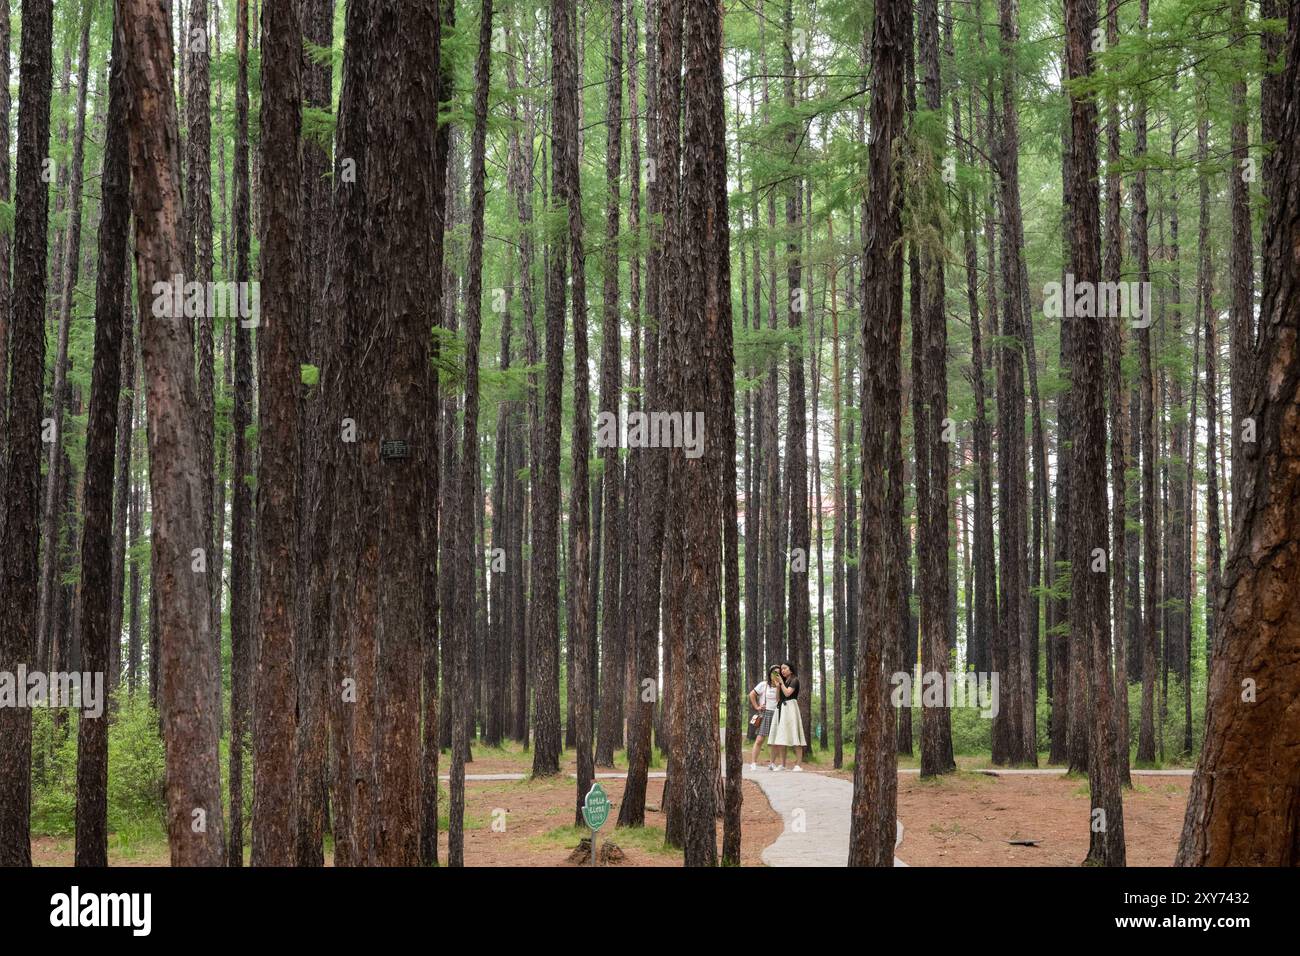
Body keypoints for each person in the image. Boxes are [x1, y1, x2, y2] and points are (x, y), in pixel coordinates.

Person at [769, 661, 807, 771]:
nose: (782, 670)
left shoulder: (795, 680)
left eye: (785, 668)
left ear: (790, 669)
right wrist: (777, 686)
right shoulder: (783, 681)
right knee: (781, 736)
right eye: (781, 669)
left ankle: (798, 765)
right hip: (781, 709)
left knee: (795, 735)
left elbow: (787, 694)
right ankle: (783, 764)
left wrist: (781, 683)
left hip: (791, 708)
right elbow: (778, 699)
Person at [748, 666, 782, 771]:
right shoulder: (763, 685)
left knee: (775, 741)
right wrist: (757, 706)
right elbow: (751, 694)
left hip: (776, 713)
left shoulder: (781, 686)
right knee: (760, 739)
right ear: (770, 673)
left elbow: (779, 700)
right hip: (765, 713)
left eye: (778, 673)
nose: (776, 675)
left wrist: (778, 687)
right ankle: (753, 763)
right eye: (774, 672)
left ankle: (772, 764)